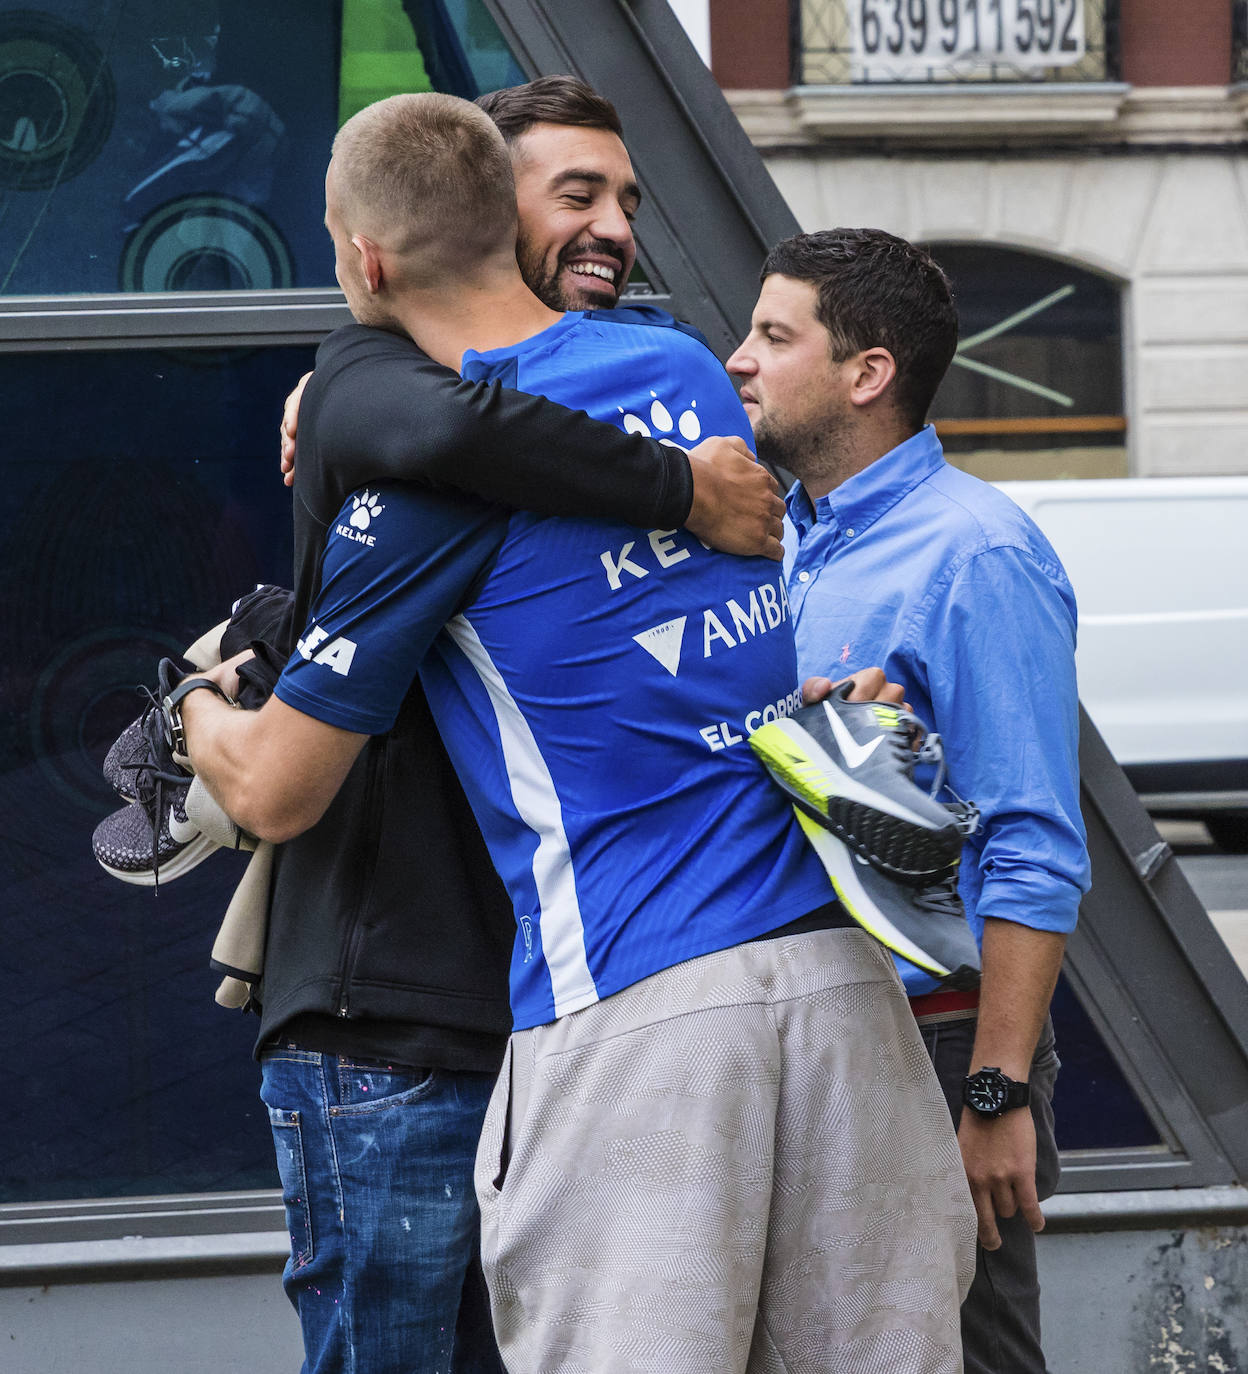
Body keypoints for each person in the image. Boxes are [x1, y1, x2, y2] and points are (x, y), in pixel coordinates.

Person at [181, 94, 976, 1372]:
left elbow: (276, 794)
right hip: (838, 983)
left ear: (366, 261)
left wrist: (200, 713)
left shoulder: (429, 474)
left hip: (638, 999)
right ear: (504, 223)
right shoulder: (677, 370)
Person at [726, 227, 1091, 1374]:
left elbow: (1035, 847)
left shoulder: (976, 554)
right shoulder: (784, 541)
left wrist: (995, 1092)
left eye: (774, 337)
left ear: (866, 374)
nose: (739, 359)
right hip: (808, 1035)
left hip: (939, 1056)